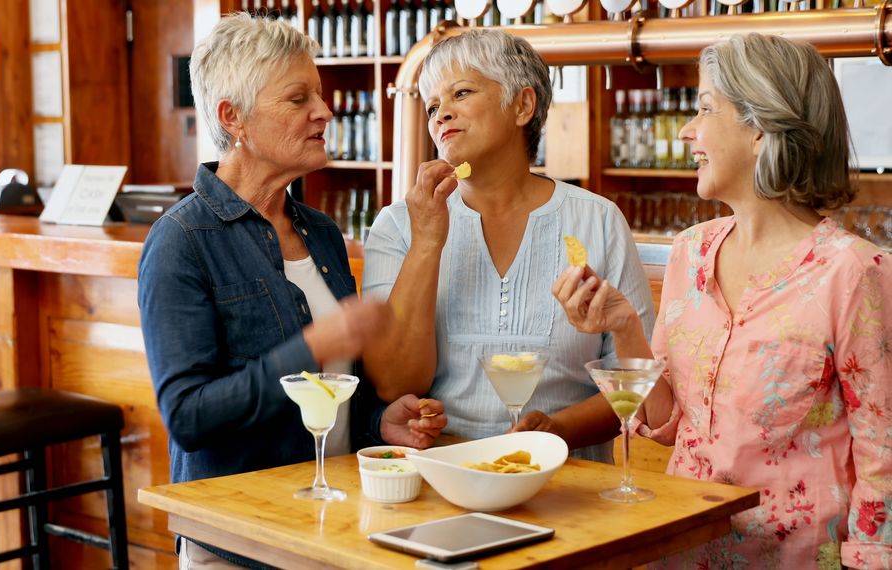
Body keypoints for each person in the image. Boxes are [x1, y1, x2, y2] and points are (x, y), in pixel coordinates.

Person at [553, 33, 892, 567]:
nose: (688, 130)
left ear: (761, 128)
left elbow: (884, 453)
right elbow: (668, 424)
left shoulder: (853, 272)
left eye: (705, 108)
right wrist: (623, 326)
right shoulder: (691, 251)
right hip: (682, 549)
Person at [138, 14, 447, 569]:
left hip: (336, 528)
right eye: (298, 98)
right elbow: (188, 416)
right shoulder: (180, 241)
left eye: (321, 95)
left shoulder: (323, 233)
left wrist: (379, 420)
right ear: (234, 118)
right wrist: (314, 346)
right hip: (238, 540)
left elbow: (334, 391)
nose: (324, 112)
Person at [362, 28, 655, 462]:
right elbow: (394, 384)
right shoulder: (399, 225)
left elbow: (635, 384)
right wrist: (427, 241)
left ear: (522, 105)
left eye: (461, 92)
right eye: (432, 106)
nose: (441, 114)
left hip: (572, 488)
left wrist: (558, 431)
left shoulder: (597, 219)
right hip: (441, 479)